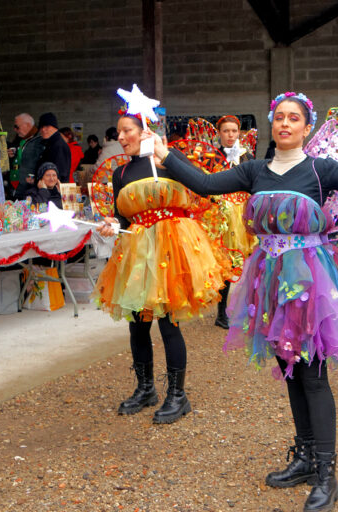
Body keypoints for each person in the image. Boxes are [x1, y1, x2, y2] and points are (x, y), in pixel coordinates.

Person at [146, 92, 338, 511]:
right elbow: (207, 185)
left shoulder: (320, 170)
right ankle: (305, 457)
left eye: (294, 118)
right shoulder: (254, 170)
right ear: (273, 124)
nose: (285, 124)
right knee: (290, 371)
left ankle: (327, 474)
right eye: (280, 118)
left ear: (307, 127)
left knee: (313, 376)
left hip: (311, 284)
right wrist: (166, 154)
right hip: (269, 282)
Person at [93, 109, 231, 426]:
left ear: (145, 132)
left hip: (172, 249)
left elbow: (202, 190)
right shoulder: (121, 174)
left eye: (127, 130)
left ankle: (178, 396)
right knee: (137, 323)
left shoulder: (168, 161)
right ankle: (145, 389)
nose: (121, 137)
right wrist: (113, 224)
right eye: (118, 132)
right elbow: (124, 218)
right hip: (136, 252)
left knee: (169, 323)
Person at [212, 115, 256, 329]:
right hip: (222, 215)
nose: (230, 135)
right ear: (219, 134)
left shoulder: (246, 156)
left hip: (243, 212)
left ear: (239, 133)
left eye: (234, 131)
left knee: (249, 260)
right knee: (226, 263)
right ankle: (222, 313)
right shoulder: (212, 156)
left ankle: (249, 308)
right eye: (226, 131)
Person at [10, 113, 45, 200]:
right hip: (14, 188)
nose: (15, 130)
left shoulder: (40, 141)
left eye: (17, 127)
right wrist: (10, 156)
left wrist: (35, 180)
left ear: (28, 125)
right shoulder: (19, 140)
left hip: (29, 190)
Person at [37, 112, 71, 184]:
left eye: (47, 127)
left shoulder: (58, 146)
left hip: (53, 192)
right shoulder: (50, 144)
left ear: (55, 127)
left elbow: (60, 174)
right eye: (41, 127)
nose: (43, 130)